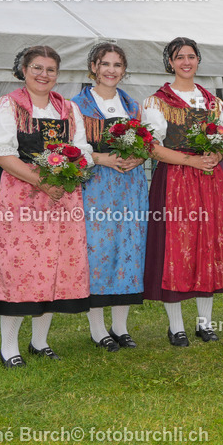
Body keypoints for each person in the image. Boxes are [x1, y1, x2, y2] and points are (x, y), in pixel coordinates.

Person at [0, 46, 92, 367]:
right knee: (19, 268)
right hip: (19, 195)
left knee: (54, 265)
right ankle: (8, 347)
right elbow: (1, 153)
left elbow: (81, 150)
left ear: (57, 74)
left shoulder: (69, 108)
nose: (44, 75)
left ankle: (39, 341)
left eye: (50, 69)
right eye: (37, 68)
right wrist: (41, 181)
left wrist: (70, 174)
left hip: (61, 197)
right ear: (24, 70)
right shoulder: (9, 105)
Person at [142, 37, 223, 346]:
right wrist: (191, 160)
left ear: (198, 60)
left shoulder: (213, 102)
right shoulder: (156, 101)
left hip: (209, 180)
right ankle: (176, 327)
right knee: (176, 249)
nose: (186, 62)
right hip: (175, 180)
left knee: (207, 246)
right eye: (179, 57)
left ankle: (204, 323)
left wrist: (215, 155)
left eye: (191, 56)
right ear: (170, 62)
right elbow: (152, 147)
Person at [71, 43, 148, 351]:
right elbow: (70, 149)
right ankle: (97, 328)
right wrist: (101, 158)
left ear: (124, 70)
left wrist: (139, 157)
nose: (111, 70)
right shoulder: (77, 106)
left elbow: (146, 144)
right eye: (105, 64)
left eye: (117, 65)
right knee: (98, 252)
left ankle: (120, 326)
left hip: (130, 187)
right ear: (93, 67)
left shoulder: (133, 106)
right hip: (96, 188)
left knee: (128, 250)